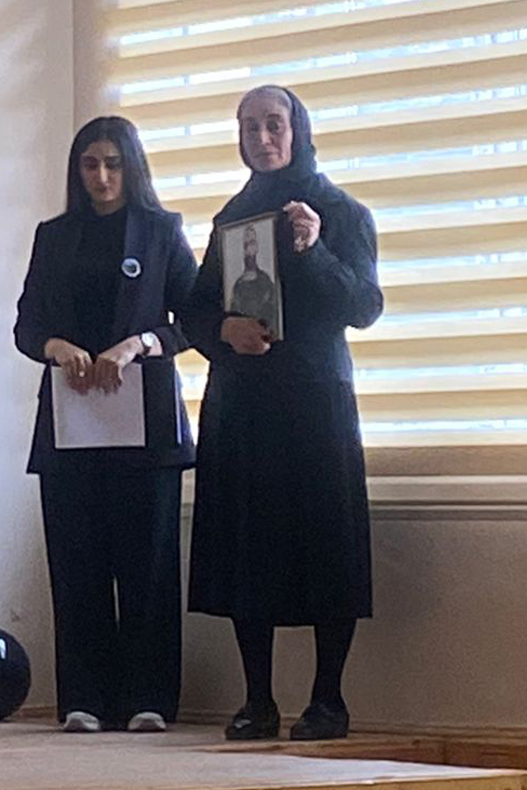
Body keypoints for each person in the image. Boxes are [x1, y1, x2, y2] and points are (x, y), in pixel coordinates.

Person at [181, 85, 383, 741]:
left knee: (328, 545)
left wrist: (314, 249)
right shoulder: (231, 219)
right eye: (250, 127)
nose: (262, 138)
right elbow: (194, 311)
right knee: (247, 549)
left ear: (299, 130)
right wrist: (226, 331)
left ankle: (328, 700)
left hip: (315, 407)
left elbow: (364, 307)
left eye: (274, 124)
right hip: (243, 409)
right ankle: (257, 700)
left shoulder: (341, 212)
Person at [14, 116, 198, 734]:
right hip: (73, 426)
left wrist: (139, 343)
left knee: (148, 565)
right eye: (90, 164)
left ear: (132, 168)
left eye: (113, 164)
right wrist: (56, 346)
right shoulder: (54, 236)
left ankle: (150, 698)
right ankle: (85, 698)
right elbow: (26, 326)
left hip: (144, 424)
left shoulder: (162, 231)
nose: (101, 176)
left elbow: (193, 321)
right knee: (77, 562)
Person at [230, 225, 278, 327]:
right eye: (245, 245)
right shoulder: (238, 285)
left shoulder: (266, 281)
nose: (248, 249)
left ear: (256, 247)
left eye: (251, 243)